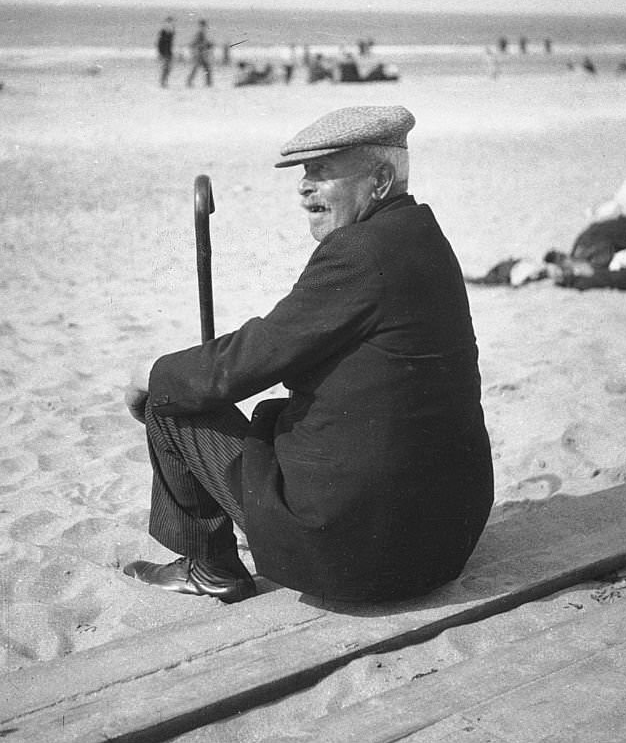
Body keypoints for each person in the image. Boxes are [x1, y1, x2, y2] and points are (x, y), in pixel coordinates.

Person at [121, 105, 494, 605]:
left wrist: (153, 378)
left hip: (364, 556)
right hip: (445, 540)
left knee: (170, 400)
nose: (304, 187)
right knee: (252, 411)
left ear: (380, 180)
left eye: (321, 171)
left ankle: (208, 566)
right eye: (303, 173)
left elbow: (253, 356)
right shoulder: (421, 234)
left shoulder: (359, 251)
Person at [186, 19, 213, 87]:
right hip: (200, 54)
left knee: (202, 68)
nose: (204, 27)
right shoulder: (200, 33)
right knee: (202, 68)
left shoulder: (201, 33)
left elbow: (194, 43)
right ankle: (207, 83)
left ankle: (207, 83)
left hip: (201, 53)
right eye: (203, 25)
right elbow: (196, 43)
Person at [156, 17, 175, 88]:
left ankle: (164, 81)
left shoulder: (169, 31)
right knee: (166, 68)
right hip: (165, 52)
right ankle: (163, 82)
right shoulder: (164, 32)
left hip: (168, 52)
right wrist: (160, 53)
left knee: (168, 68)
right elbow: (159, 43)